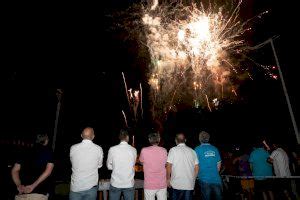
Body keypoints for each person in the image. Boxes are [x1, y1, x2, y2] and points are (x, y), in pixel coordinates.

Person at [11, 134, 54, 200]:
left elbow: (15, 170)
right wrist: (33, 186)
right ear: (46, 140)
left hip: (21, 193)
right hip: (39, 194)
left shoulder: (24, 151)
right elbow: (48, 171)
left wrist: (19, 185)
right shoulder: (48, 151)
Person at [69, 127, 103, 200]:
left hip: (76, 187)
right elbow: (99, 165)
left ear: (81, 135)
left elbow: (72, 162)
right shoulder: (98, 149)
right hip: (91, 187)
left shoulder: (73, 148)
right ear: (93, 137)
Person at [167, 133, 199, 200]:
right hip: (189, 184)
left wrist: (168, 179)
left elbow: (169, 166)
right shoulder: (192, 151)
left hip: (176, 184)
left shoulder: (173, 150)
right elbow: (197, 167)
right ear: (185, 140)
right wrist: (193, 179)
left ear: (176, 140)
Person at [107, 129, 137, 200]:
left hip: (115, 183)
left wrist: (116, 167)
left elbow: (109, 166)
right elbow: (133, 164)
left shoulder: (112, 149)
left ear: (119, 137)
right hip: (129, 183)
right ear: (127, 137)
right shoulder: (133, 150)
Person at [194, 131, 222, 200]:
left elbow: (195, 165)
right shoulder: (215, 149)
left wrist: (195, 176)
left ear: (200, 139)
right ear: (208, 139)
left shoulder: (197, 149)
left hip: (204, 180)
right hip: (216, 179)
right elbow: (219, 165)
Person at [139, 132, 168, 200]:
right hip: (162, 183)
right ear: (159, 139)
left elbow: (140, 162)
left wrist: (145, 163)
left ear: (149, 140)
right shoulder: (164, 150)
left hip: (149, 184)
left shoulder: (144, 150)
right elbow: (166, 163)